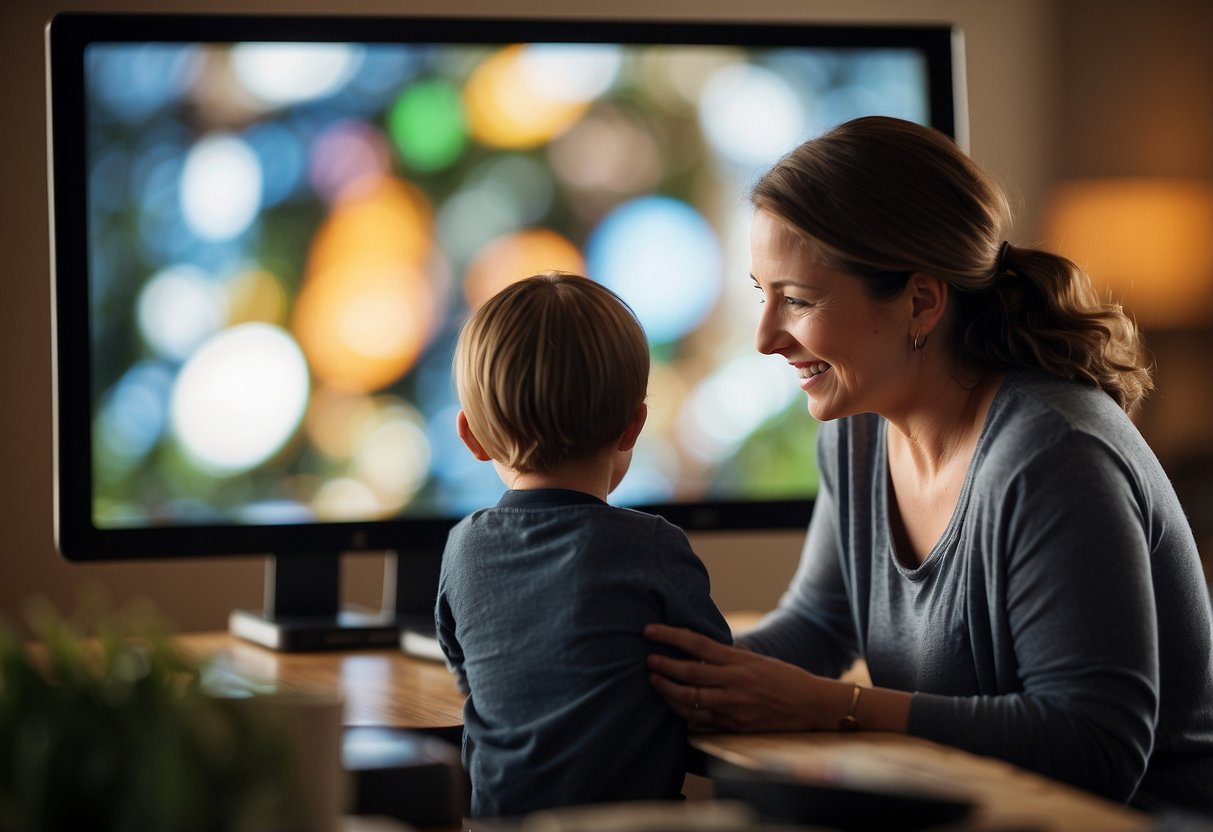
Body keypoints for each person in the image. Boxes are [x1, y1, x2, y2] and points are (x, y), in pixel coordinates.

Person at [644, 115, 1213, 817]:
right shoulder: (854, 435)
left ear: (919, 300)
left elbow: (1096, 747)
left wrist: (836, 706)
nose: (765, 337)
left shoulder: (1053, 455)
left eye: (796, 299)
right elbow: (817, 628)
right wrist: (639, 667)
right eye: (761, 293)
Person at [436, 271, 732, 819]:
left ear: (471, 436)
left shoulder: (463, 548)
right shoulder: (653, 546)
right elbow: (714, 681)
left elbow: (468, 672)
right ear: (633, 427)